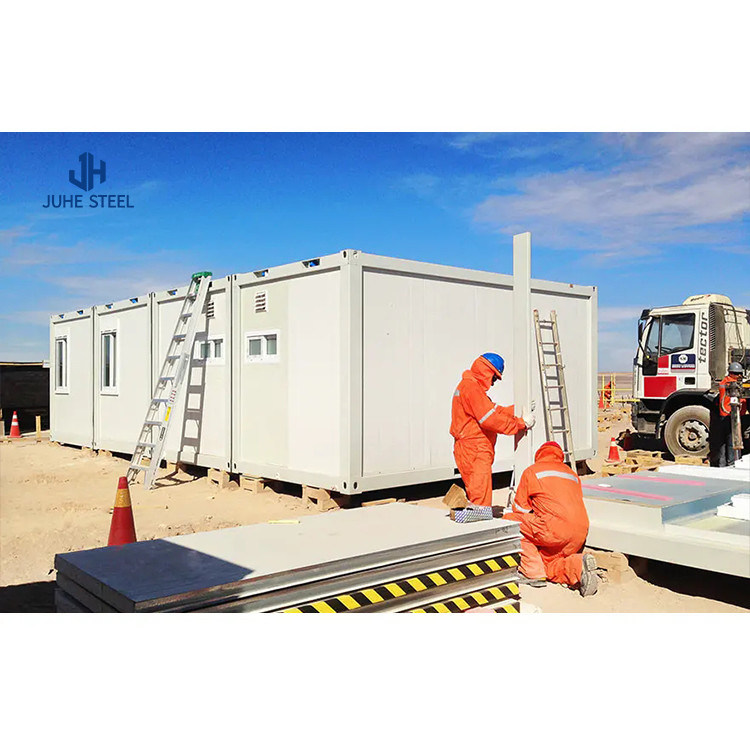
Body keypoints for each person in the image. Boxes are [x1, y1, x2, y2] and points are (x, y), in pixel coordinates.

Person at [503, 441, 599, 597]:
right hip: (580, 533)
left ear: (539, 455)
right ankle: (578, 567)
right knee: (549, 563)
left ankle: (532, 572)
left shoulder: (533, 471)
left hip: (554, 529)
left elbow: (520, 509)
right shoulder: (572, 475)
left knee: (510, 521)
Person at [450, 353, 534, 508]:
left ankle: (475, 516)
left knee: (477, 494)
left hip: (471, 449)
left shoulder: (470, 387)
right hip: (474, 450)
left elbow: (494, 411)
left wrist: (517, 409)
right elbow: (491, 420)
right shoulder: (471, 388)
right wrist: (520, 423)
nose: (493, 383)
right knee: (480, 500)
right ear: (487, 372)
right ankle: (479, 521)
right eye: (494, 378)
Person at [709, 361, 748, 467]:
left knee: (723, 443)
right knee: (732, 442)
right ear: (733, 373)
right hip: (732, 417)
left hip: (724, 416)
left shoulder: (724, 382)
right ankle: (732, 463)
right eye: (738, 374)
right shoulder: (733, 384)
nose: (739, 376)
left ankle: (722, 464)